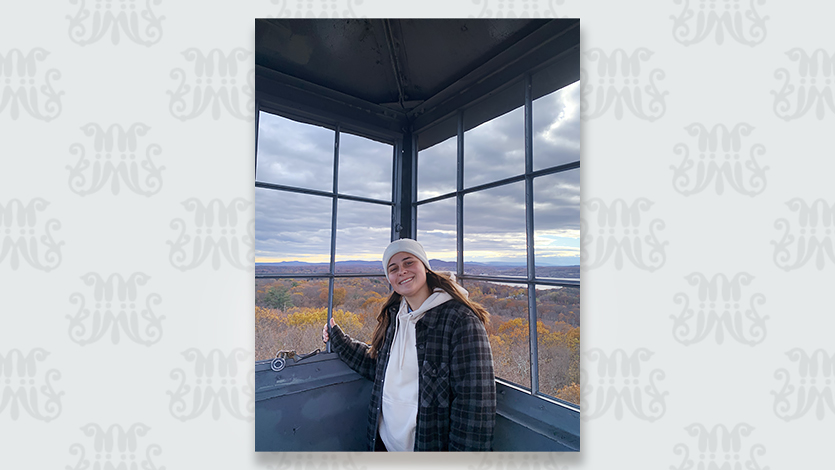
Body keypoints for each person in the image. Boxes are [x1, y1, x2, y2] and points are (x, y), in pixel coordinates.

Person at [322, 238, 496, 451]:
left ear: (425, 267)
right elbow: (379, 369)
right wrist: (339, 340)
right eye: (393, 268)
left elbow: (474, 406)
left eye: (408, 262)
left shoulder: (460, 321)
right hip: (384, 446)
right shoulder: (395, 316)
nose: (401, 271)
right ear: (389, 278)